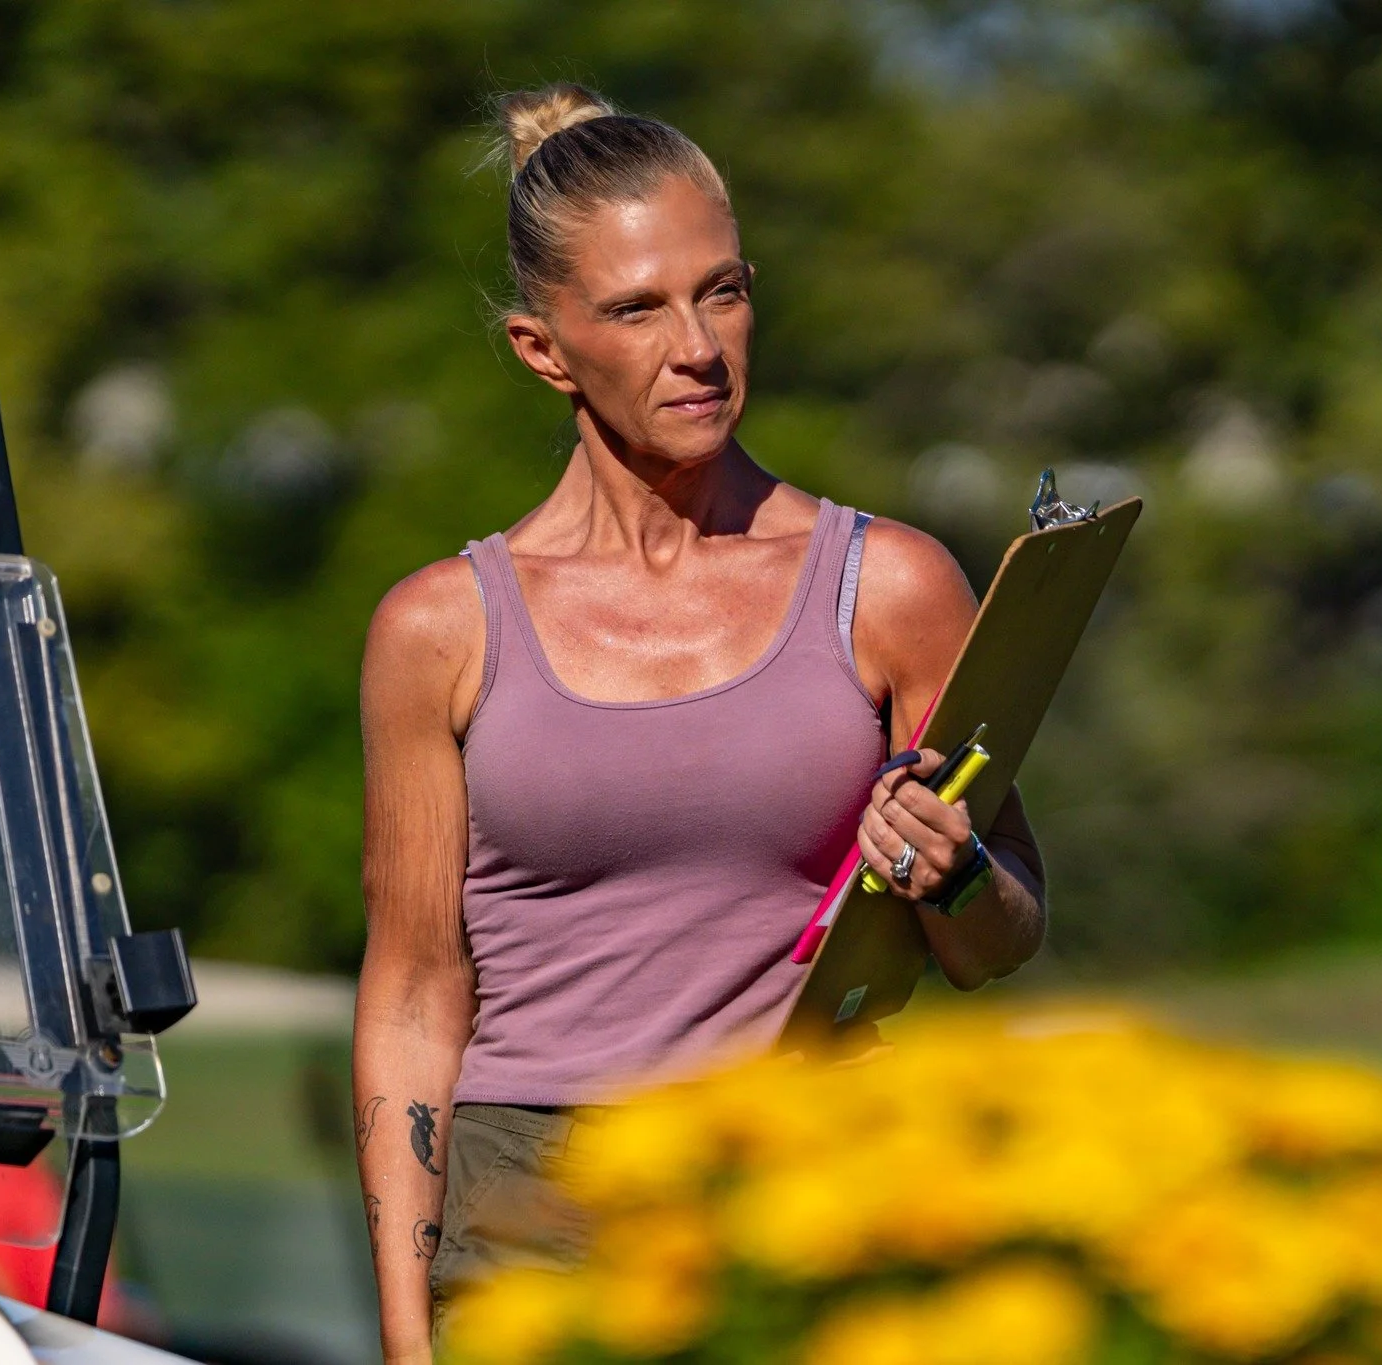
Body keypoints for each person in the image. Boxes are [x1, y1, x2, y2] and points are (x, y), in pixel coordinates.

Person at [351, 82, 1047, 1361]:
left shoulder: (888, 587)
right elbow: (409, 993)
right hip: (528, 1210)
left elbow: (1000, 934)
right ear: (540, 348)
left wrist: (950, 878)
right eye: (635, 308)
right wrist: (407, 1335)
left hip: (803, 1190)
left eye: (720, 290)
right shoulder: (436, 632)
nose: (698, 345)